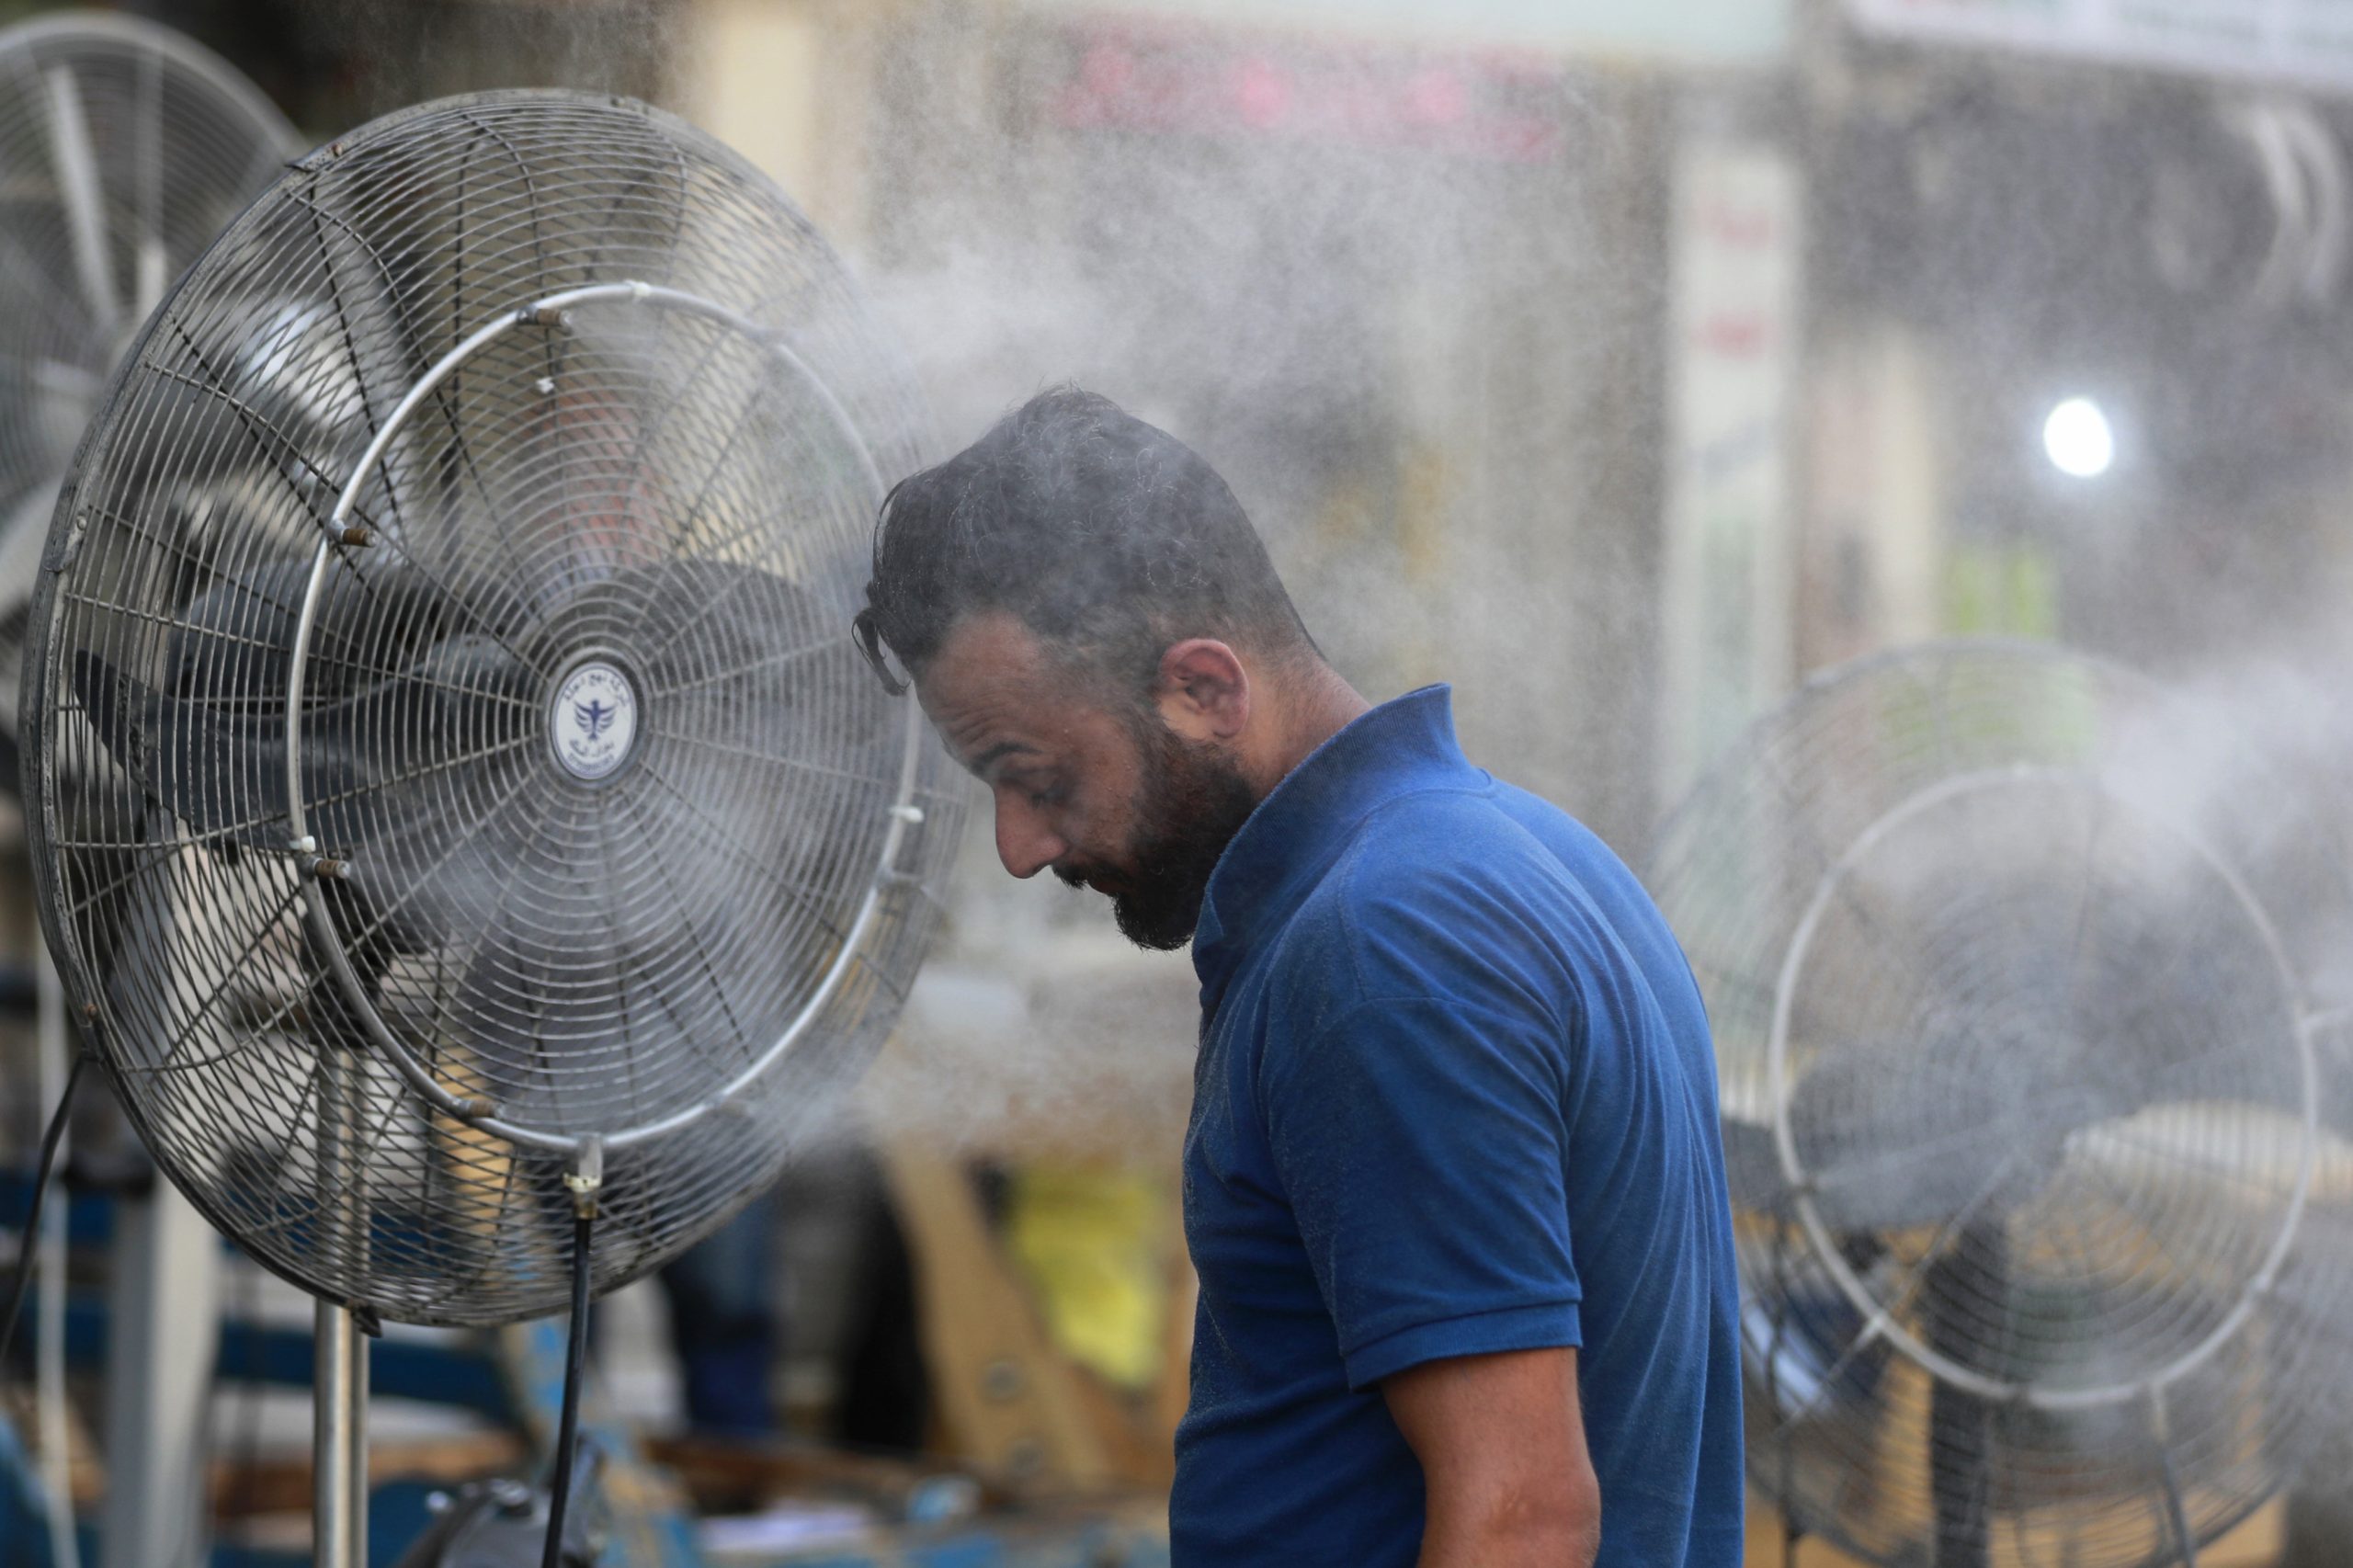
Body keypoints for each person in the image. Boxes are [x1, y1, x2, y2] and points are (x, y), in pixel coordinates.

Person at [852, 387, 1742, 1568]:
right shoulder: (1528, 852)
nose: (1020, 845)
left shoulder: (1382, 949)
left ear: (1206, 690)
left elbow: (1521, 1516)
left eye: (1039, 775)